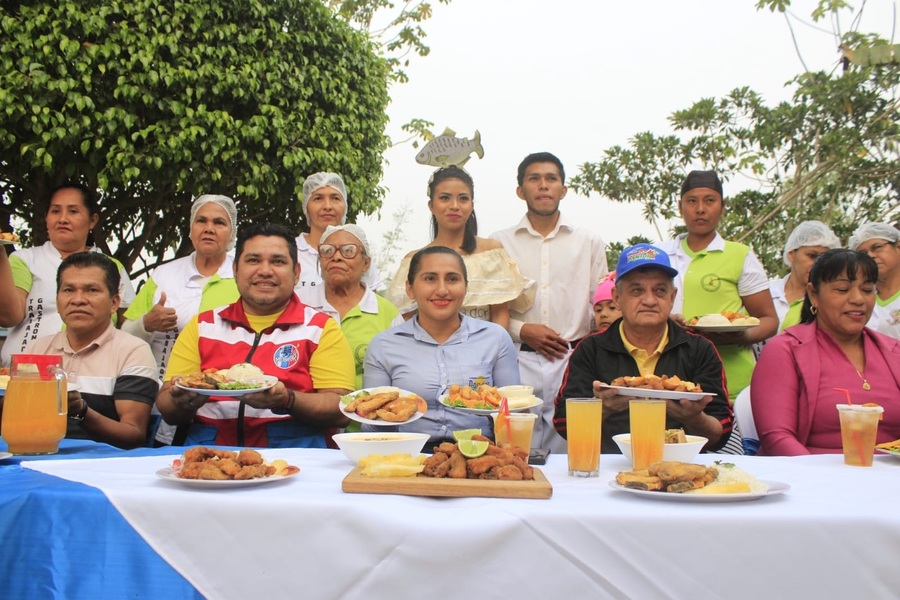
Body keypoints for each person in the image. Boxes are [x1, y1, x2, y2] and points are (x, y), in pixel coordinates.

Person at [156, 223, 355, 448]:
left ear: (296, 272)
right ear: (235, 269)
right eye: (253, 260)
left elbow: (341, 410)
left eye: (278, 261)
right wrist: (182, 401)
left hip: (294, 461)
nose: (265, 271)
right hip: (210, 458)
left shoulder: (320, 328)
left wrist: (287, 400)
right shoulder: (203, 325)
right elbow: (167, 409)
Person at [553, 244, 733, 453]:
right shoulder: (591, 349)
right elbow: (563, 424)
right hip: (609, 469)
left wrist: (693, 417)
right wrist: (602, 409)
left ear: (672, 298)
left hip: (681, 470)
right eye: (637, 290)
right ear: (617, 298)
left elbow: (721, 433)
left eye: (659, 290)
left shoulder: (700, 349)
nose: (649, 300)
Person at [491, 152, 607, 453]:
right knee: (513, 447)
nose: (544, 185)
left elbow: (602, 304)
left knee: (570, 445)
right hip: (515, 357)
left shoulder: (589, 242)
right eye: (534, 179)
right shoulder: (499, 242)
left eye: (551, 179)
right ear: (520, 191)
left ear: (563, 189)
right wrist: (522, 329)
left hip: (572, 358)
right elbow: (489, 307)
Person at [363, 246, 520, 445]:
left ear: (466, 287)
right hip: (408, 454)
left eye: (452, 279)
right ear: (410, 289)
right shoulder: (383, 345)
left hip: (479, 452)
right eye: (430, 278)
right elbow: (371, 422)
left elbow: (514, 412)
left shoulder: (495, 338)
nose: (442, 290)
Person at [752, 249, 900, 455]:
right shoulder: (785, 350)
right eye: (842, 289)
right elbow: (777, 437)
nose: (858, 299)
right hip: (810, 478)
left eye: (867, 290)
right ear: (814, 295)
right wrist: (828, 482)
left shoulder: (894, 352)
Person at [5, 253, 158, 449]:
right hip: (36, 456)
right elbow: (17, 417)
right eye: (68, 290)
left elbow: (134, 434)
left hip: (100, 468)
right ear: (58, 299)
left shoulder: (133, 351)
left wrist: (82, 411)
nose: (78, 300)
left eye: (92, 290)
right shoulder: (37, 349)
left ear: (114, 302)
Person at [121, 195, 240, 445]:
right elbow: (124, 336)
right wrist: (146, 323)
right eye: (201, 221)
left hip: (224, 405)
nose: (209, 228)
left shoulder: (242, 278)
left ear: (232, 233)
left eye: (219, 222)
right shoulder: (165, 275)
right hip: (159, 400)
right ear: (190, 229)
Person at [657, 170, 777, 401]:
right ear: (680, 207)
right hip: (670, 377)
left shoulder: (739, 254)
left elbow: (769, 320)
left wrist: (735, 336)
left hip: (731, 381)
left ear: (722, 207)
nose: (700, 209)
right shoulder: (660, 253)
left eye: (709, 201)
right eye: (691, 201)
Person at [0, 183, 136, 366]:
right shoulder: (26, 259)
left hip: (92, 375)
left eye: (73, 211)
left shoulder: (111, 267)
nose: (63, 219)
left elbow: (128, 325)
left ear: (92, 220)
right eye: (55, 211)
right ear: (46, 218)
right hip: (23, 372)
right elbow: (10, 317)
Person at [385, 166, 533, 329]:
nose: (454, 206)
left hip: (484, 349)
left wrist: (493, 350)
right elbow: (406, 319)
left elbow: (500, 314)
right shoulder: (413, 260)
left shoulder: (491, 252)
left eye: (463, 198)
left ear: (471, 204)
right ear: (431, 205)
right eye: (445, 198)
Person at [304, 223, 403, 391]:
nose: (336, 257)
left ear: (366, 263)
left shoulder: (387, 312)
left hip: (366, 414)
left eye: (348, 250)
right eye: (327, 250)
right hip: (299, 412)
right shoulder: (300, 302)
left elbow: (402, 370)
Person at [294, 172, 383, 300]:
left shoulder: (359, 255)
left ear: (345, 206)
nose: (327, 206)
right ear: (306, 207)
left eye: (335, 198)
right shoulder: (291, 252)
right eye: (318, 198)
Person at [770, 221, 841, 331]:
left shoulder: (828, 300)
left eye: (823, 258)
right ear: (791, 254)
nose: (817, 263)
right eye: (812, 256)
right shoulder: (766, 292)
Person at [849, 222, 900, 340]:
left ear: (898, 246)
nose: (871, 256)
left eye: (877, 247)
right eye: (863, 254)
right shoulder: (857, 299)